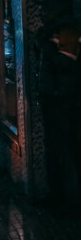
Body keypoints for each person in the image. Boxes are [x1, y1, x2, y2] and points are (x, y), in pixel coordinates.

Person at [36, 15, 81, 203]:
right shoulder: (52, 54)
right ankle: (60, 191)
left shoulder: (57, 57)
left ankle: (61, 192)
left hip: (62, 106)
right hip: (59, 105)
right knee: (62, 149)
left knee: (64, 149)